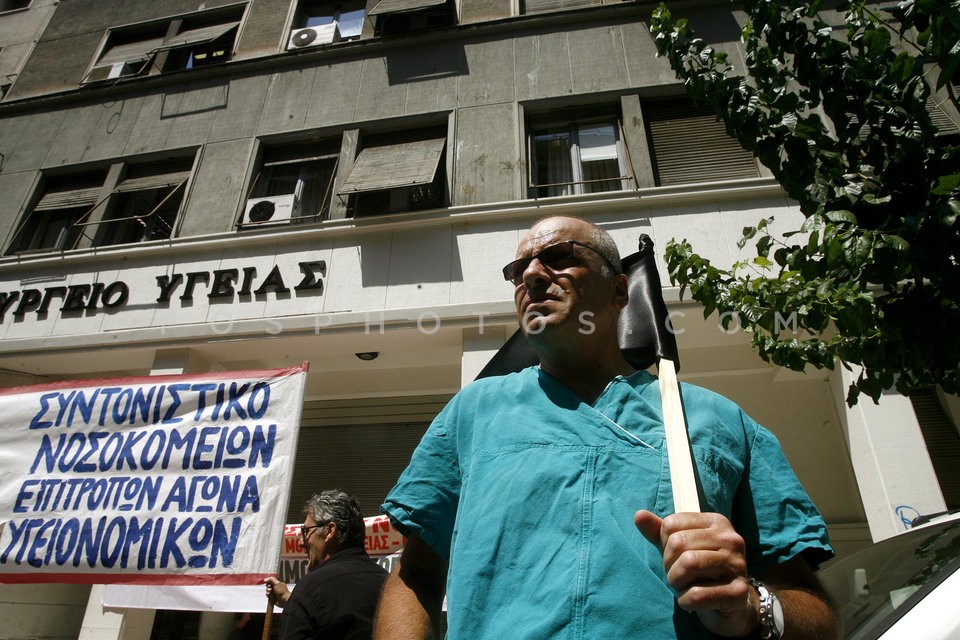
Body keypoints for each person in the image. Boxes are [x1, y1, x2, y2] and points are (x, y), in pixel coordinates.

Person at [374, 216, 839, 639]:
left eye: (559, 258)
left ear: (620, 292)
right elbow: (417, 575)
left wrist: (750, 606)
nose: (532, 275)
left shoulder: (718, 422)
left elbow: (815, 612)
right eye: (518, 271)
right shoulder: (472, 413)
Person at [265, 489, 388, 640]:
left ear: (330, 531)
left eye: (305, 531)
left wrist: (300, 602)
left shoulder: (310, 589)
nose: (301, 542)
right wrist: (293, 602)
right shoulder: (390, 584)